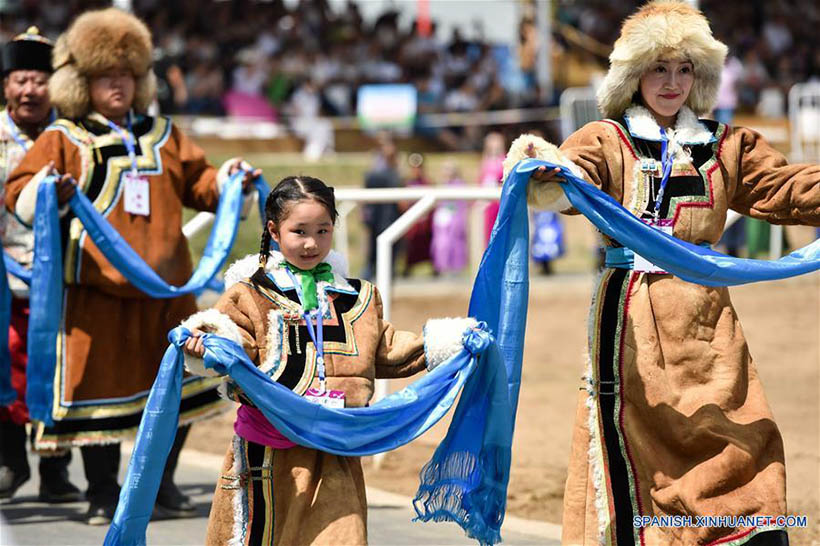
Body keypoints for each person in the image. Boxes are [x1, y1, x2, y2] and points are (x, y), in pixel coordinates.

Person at [513, 2, 819, 544]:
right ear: (634, 75)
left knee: (746, 435)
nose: (673, 82)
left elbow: (786, 189)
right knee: (641, 451)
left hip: (710, 320)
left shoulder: (728, 146)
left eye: (684, 69)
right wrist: (543, 165)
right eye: (659, 68)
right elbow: (565, 182)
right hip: (630, 318)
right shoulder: (605, 139)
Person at [4, 8, 259, 525]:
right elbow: (17, 193)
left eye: (126, 75)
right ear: (82, 82)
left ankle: (161, 484)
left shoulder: (165, 133)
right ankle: (102, 492)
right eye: (105, 77)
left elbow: (203, 184)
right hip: (96, 298)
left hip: (168, 297)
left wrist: (233, 181)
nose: (117, 85)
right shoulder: (65, 138)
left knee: (184, 388)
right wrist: (47, 192)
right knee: (97, 401)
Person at [179, 176, 475, 546]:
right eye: (299, 231)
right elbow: (233, 339)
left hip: (336, 452)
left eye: (323, 230)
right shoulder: (250, 294)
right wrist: (207, 342)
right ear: (273, 230)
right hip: (266, 456)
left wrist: (452, 341)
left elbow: (386, 349)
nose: (311, 243)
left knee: (341, 538)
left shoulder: (358, 297)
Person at [0, 26, 80, 504]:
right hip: (3, 275)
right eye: (19, 80)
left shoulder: (70, 136)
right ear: (6, 84)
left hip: (63, 275)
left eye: (39, 80)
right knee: (4, 368)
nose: (29, 90)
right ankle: (11, 462)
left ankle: (56, 472)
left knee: (58, 371)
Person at [430, 162, 469, 275]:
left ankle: (456, 269)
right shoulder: (443, 185)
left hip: (456, 220)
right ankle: (442, 267)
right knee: (441, 244)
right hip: (443, 222)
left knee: (455, 243)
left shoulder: (460, 185)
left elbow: (461, 205)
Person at [400, 152, 433, 276]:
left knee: (427, 243)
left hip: (424, 221)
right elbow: (402, 202)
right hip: (412, 222)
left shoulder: (427, 183)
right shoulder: (407, 184)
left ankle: (433, 266)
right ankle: (408, 268)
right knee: (411, 246)